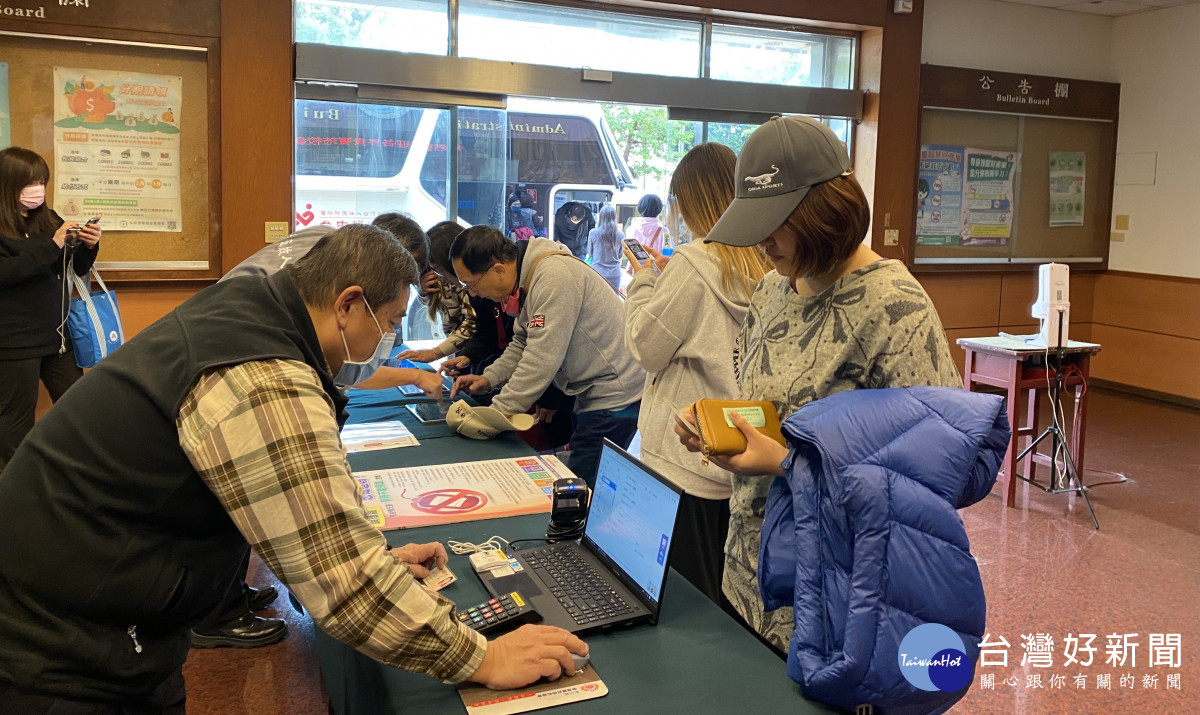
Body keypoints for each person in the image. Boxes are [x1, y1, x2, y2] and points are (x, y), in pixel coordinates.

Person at [0, 224, 588, 710]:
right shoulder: (264, 371)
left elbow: (299, 524)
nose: (385, 340)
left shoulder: (248, 310)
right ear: (347, 303)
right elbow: (341, 578)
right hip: (58, 646)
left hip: (104, 613)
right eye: (386, 322)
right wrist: (482, 656)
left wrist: (371, 557)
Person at [674, 116, 961, 652]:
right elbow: (773, 409)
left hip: (838, 597)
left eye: (776, 224)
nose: (761, 243)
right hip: (749, 578)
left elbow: (938, 475)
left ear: (825, 212)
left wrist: (783, 463)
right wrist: (723, 430)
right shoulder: (770, 291)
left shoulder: (894, 308)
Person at [623, 143, 771, 604]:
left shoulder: (692, 261)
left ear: (687, 200)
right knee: (724, 596)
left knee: (683, 600)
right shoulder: (764, 260)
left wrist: (645, 280)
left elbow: (646, 347)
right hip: (739, 452)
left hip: (685, 460)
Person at [449, 228, 644, 486]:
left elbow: (541, 360)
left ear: (498, 270)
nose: (473, 294)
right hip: (591, 390)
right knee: (584, 480)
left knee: (580, 488)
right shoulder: (528, 279)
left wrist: (493, 416)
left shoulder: (554, 277)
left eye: (471, 285)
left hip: (615, 394)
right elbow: (522, 342)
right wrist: (488, 379)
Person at [0, 146, 102, 470]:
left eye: (42, 181)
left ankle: (77, 473)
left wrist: (89, 244)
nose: (37, 190)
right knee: (15, 422)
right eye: (29, 183)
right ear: (8, 184)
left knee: (79, 406)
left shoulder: (48, 218)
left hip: (57, 336)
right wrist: (52, 244)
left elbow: (75, 266)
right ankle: (17, 488)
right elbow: (8, 273)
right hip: (14, 341)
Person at [398, 220, 478, 365]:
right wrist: (423, 292)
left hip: (476, 344)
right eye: (434, 268)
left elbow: (472, 323)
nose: (440, 275)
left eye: (440, 269)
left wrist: (435, 353)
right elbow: (432, 301)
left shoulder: (470, 283)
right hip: (457, 343)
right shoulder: (434, 274)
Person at [586, 204, 623, 291]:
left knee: (597, 300)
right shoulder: (621, 234)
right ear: (614, 217)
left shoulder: (593, 233)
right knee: (613, 300)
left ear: (601, 217)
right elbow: (620, 255)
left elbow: (590, 252)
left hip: (598, 272)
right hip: (615, 273)